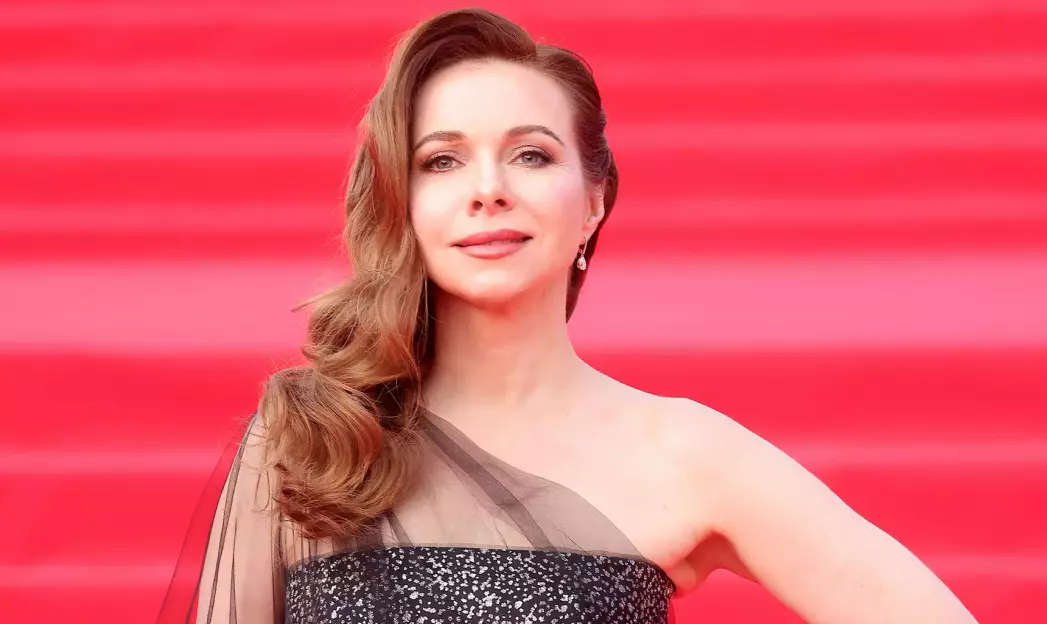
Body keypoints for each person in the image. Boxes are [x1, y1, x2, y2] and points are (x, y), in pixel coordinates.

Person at [157, 8, 978, 624]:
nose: (488, 188)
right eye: (441, 160)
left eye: (530, 154)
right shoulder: (315, 437)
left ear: (591, 203)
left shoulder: (683, 453)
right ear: (402, 203)